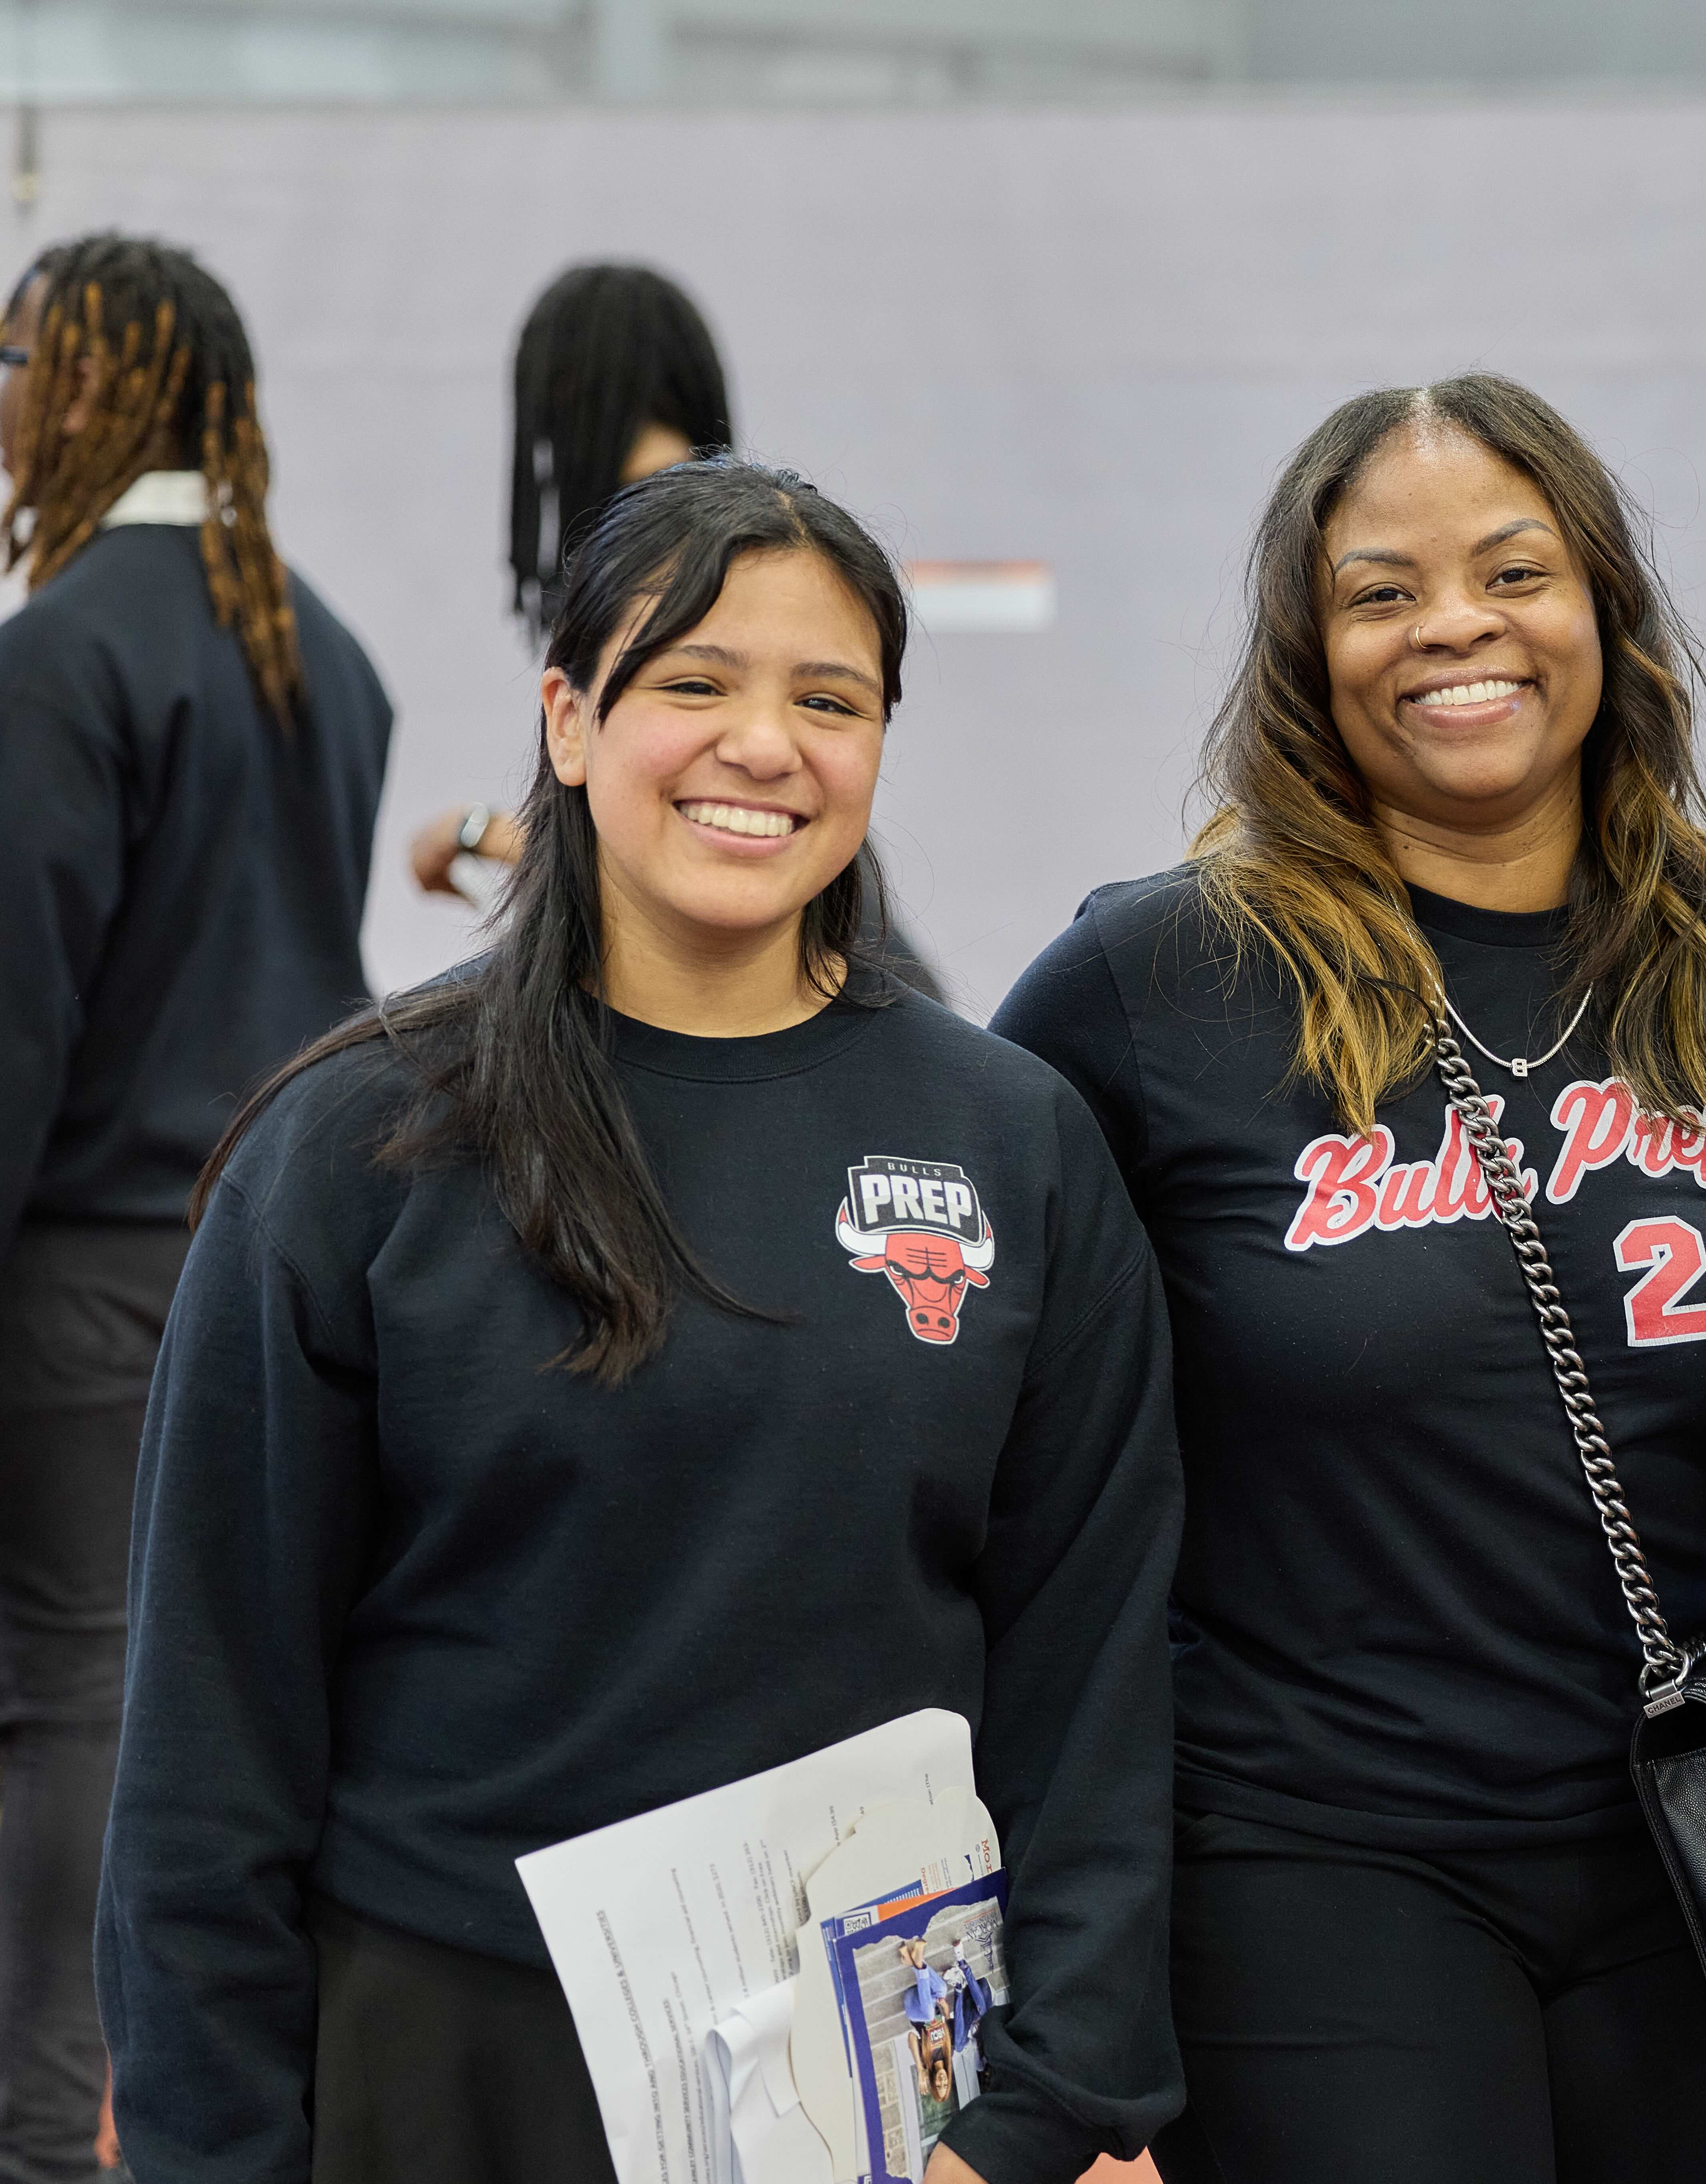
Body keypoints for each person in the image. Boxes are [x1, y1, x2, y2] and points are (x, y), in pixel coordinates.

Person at [96, 457, 1185, 2184]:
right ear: (571, 719)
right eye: (693, 683)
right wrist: (211, 2143)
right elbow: (212, 1735)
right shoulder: (357, 1148)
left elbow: (1094, 1662)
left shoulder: (1011, 1143)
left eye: (827, 698)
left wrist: (1039, 2100)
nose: (764, 745)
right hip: (443, 2063)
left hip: (876, 2081)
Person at [993, 374, 1706, 2184]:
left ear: (1603, 609)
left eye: (1515, 572)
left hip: (1696, 1861)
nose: (1455, 625)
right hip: (1309, 1855)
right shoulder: (1154, 986)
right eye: (1381, 592)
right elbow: (972, 1392)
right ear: (1310, 652)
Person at [0, 231, 392, 2184]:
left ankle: (41, 2128)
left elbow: (17, 1012)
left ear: (76, 385)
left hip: (83, 1275)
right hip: (294, 1265)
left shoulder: (62, 647)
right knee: (235, 1704)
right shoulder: (326, 642)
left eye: (12, 362)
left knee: (70, 1697)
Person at [401, 261, 941, 994]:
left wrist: (475, 831)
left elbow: (656, 824)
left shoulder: (644, 544)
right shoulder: (701, 522)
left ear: (555, 397)